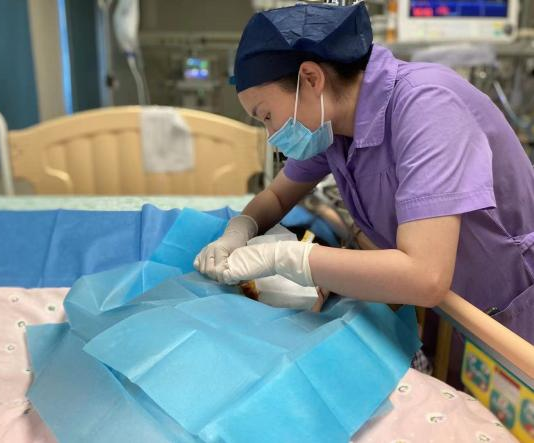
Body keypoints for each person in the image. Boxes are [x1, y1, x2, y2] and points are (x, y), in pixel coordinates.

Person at [194, 3, 534, 346]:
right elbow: (278, 196)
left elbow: (426, 276)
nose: (271, 135)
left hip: (511, 310)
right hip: (453, 314)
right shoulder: (334, 129)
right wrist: (240, 229)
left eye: (266, 115)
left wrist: (285, 258)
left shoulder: (426, 105)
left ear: (311, 79)